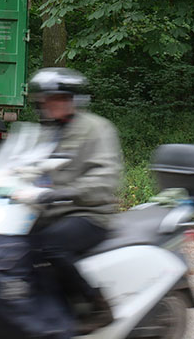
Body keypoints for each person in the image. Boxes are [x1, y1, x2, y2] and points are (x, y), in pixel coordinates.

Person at [16, 67, 123, 334]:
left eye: (57, 99)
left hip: (90, 213)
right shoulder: (48, 131)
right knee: (16, 243)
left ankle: (95, 304)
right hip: (55, 212)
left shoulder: (96, 129)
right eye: (47, 99)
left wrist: (65, 192)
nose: (50, 105)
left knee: (50, 247)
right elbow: (30, 165)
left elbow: (106, 176)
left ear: (74, 100)